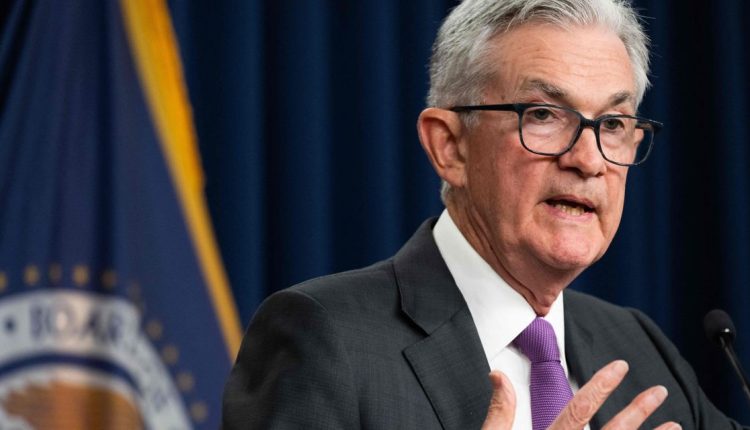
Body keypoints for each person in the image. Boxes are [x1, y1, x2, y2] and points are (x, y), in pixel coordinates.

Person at [223, 0, 747, 428]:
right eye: (543, 115)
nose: (589, 161)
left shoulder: (639, 347)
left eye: (613, 124)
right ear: (450, 146)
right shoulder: (326, 338)